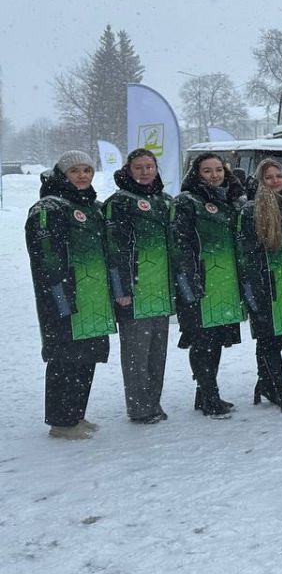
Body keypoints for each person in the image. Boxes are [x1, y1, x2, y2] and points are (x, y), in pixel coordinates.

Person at [26, 151, 117, 439]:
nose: (82, 175)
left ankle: (76, 414)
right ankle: (61, 422)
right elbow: (46, 257)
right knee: (65, 358)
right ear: (62, 174)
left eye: (87, 170)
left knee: (85, 357)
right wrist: (61, 292)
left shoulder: (93, 206)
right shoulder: (48, 208)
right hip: (64, 296)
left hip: (93, 297)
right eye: (75, 170)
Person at [171, 153, 245, 418]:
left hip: (225, 283)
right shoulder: (186, 202)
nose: (214, 175)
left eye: (218, 170)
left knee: (215, 340)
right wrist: (189, 281)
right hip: (200, 282)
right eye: (207, 171)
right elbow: (180, 244)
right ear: (197, 174)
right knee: (202, 341)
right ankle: (209, 394)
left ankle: (205, 395)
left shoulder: (230, 201)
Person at [103, 148, 173, 425]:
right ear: (128, 171)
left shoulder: (165, 201)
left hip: (161, 291)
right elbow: (114, 249)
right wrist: (121, 288)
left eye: (149, 166)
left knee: (157, 354)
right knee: (136, 355)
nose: (145, 171)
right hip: (134, 292)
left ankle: (153, 402)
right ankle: (139, 407)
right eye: (139, 167)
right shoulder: (118, 202)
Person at [237, 159, 282, 414]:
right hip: (264, 284)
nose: (275, 181)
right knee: (268, 339)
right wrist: (253, 291)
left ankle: (265, 383)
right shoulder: (251, 210)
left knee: (275, 339)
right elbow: (246, 255)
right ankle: (281, 390)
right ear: (261, 181)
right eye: (269, 177)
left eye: (278, 176)